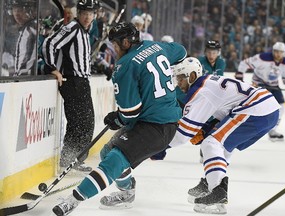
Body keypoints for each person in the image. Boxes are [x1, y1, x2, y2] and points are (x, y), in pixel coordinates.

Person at [52, 21, 187, 215]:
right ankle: (127, 192)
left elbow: (130, 112)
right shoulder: (156, 46)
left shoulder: (125, 65)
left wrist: (117, 118)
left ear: (125, 42)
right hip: (160, 121)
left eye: (115, 44)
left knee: (114, 159)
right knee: (107, 152)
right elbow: (181, 52)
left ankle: (74, 200)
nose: (114, 49)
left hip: (156, 126)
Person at [168, 57, 280, 214]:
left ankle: (217, 192)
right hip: (267, 109)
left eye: (180, 78)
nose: (178, 83)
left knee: (211, 143)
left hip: (256, 108)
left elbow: (183, 135)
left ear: (192, 76)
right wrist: (207, 127)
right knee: (224, 145)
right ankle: (211, 183)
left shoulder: (201, 91)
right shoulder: (208, 82)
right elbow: (223, 110)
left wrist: (156, 146)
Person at [42, 0, 100, 172]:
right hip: (73, 81)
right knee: (80, 122)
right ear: (78, 13)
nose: (88, 17)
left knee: (85, 122)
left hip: (81, 82)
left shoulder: (83, 31)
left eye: (91, 14)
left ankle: (72, 160)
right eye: (84, 13)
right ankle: (70, 160)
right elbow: (49, 43)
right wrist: (53, 68)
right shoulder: (72, 28)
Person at [235, 41, 285, 141]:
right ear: (273, 51)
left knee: (281, 107)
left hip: (274, 86)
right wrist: (239, 79)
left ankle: (272, 131)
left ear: (284, 53)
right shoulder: (263, 58)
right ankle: (245, 128)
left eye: (280, 52)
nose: (278, 54)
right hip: (259, 84)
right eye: (276, 51)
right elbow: (244, 63)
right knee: (256, 108)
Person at [10, 0, 37, 76]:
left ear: (29, 11)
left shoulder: (32, 29)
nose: (16, 14)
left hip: (26, 80)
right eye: (14, 9)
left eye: (20, 10)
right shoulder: (23, 30)